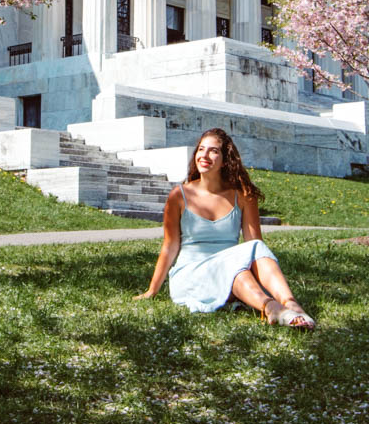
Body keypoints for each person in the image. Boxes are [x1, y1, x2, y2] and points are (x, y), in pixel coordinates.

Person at [134, 127, 315, 329]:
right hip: (191, 273)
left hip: (232, 267)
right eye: (201, 149)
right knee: (235, 269)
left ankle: (290, 304)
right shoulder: (179, 195)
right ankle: (270, 307)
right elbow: (170, 246)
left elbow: (255, 247)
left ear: (225, 159)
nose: (204, 155)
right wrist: (152, 290)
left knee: (248, 256)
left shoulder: (243, 195)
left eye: (213, 151)